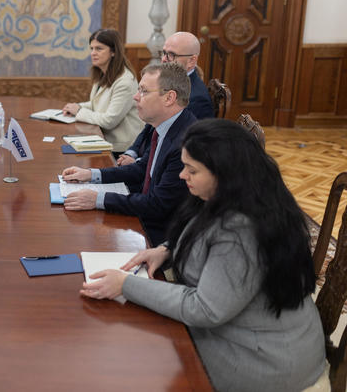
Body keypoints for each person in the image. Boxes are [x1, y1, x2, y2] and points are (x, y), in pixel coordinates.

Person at [79, 119, 326, 392]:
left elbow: (205, 309)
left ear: (223, 174)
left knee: (136, 362)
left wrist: (126, 284)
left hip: (265, 361)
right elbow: (201, 234)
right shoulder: (238, 196)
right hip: (255, 337)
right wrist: (167, 250)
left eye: (191, 169)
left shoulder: (240, 229)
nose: (182, 175)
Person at [62, 62, 197, 245]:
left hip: (162, 235)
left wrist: (98, 199)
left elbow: (157, 205)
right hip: (146, 217)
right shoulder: (165, 126)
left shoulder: (184, 143)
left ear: (169, 98)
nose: (135, 97)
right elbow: (142, 168)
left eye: (143, 91)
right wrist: (91, 175)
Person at [118, 31, 214, 167]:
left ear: (192, 60)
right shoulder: (167, 82)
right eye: (163, 53)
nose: (164, 59)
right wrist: (131, 152)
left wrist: (137, 162)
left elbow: (174, 147)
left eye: (171, 55)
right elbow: (150, 127)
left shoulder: (195, 98)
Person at [60, 29, 144, 153]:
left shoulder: (125, 82)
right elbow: (97, 104)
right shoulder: (102, 73)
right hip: (103, 140)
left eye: (99, 49)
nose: (93, 53)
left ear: (113, 52)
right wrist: (76, 106)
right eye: (91, 49)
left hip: (121, 149)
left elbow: (109, 120)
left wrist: (79, 111)